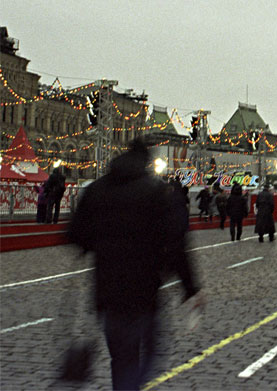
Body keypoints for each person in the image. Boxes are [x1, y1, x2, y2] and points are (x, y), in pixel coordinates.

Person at [67, 139, 201, 391]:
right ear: (147, 162)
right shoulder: (156, 191)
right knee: (151, 354)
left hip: (107, 290)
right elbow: (176, 244)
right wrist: (190, 288)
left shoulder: (97, 189)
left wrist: (102, 243)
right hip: (144, 291)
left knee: (121, 357)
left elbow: (75, 234)